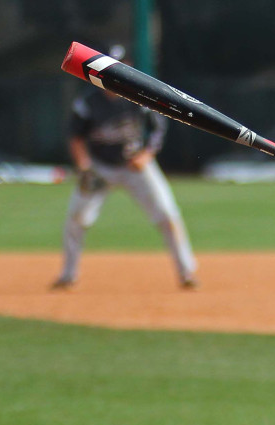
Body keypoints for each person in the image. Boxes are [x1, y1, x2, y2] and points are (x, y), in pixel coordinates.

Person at [53, 43, 199, 290]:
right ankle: (69, 274)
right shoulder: (87, 103)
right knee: (77, 218)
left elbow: (158, 129)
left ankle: (186, 272)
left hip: (135, 166)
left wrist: (146, 155)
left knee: (167, 214)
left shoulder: (139, 96)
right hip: (100, 166)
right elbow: (76, 137)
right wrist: (84, 167)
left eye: (119, 68)